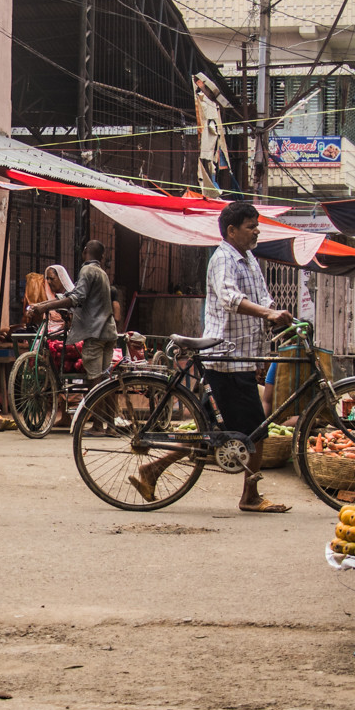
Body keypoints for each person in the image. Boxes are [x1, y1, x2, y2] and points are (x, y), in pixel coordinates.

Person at [131, 202, 293, 513]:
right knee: (257, 431)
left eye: (257, 225)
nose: (257, 230)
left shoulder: (248, 259)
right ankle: (250, 496)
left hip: (242, 355)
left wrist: (279, 316)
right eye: (251, 226)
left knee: (212, 429)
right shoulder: (223, 259)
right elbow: (231, 297)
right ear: (232, 231)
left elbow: (263, 297)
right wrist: (268, 312)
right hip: (226, 356)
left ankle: (152, 471)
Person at [25, 240, 117, 385]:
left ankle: (92, 407)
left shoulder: (87, 270)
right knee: (106, 381)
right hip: (108, 332)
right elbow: (73, 296)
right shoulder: (102, 273)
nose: (49, 281)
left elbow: (75, 298)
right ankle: (109, 408)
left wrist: (44, 308)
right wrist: (43, 305)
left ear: (85, 250)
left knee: (94, 381)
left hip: (95, 334)